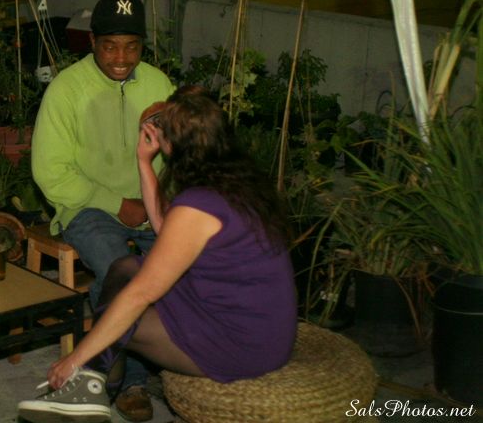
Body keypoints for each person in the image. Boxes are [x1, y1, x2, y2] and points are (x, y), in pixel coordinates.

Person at [19, 85, 298, 423]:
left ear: (172, 145)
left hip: (240, 345)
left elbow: (142, 294)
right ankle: (96, 383)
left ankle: (91, 380)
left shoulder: (197, 206)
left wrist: (74, 358)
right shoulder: (237, 183)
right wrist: (144, 161)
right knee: (124, 268)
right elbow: (167, 230)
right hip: (256, 325)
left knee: (123, 316)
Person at [30, 0, 175, 421]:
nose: (121, 58)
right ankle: (126, 380)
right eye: (110, 46)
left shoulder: (159, 85)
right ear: (92, 41)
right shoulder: (66, 89)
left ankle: (178, 360)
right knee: (119, 269)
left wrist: (161, 199)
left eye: (131, 46)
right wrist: (115, 203)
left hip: (149, 204)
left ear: (143, 46)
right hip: (86, 206)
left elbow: (179, 154)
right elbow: (50, 173)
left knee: (180, 263)